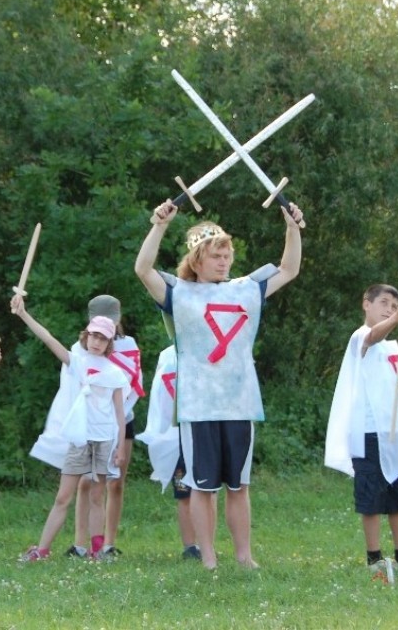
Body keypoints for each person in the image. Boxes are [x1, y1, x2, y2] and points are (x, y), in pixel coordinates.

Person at [134, 199, 303, 569]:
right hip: (198, 405)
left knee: (239, 485)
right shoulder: (179, 293)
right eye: (216, 256)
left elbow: (289, 269)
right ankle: (208, 557)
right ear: (197, 260)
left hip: (239, 402)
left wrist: (293, 228)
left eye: (227, 255)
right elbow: (143, 268)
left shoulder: (245, 289)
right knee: (203, 485)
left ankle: (244, 556)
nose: (224, 262)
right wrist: (160, 225)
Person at [11, 295, 128, 562]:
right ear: (86, 336)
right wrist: (24, 314)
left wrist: (120, 448)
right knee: (63, 496)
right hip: (80, 439)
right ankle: (42, 549)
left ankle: (97, 550)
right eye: (93, 336)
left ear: (109, 343)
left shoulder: (114, 373)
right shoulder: (77, 361)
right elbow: (48, 339)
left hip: (103, 440)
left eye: (103, 339)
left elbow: (120, 415)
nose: (97, 342)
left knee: (97, 496)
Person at [325, 284, 398, 583]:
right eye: (384, 303)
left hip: (392, 434)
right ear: (366, 304)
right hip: (367, 433)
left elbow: (394, 399)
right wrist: (395, 320)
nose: (389, 308)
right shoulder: (360, 338)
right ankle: (374, 557)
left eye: (394, 305)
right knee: (372, 497)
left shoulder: (393, 349)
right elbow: (372, 336)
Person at [68, 295, 144, 559]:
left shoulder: (129, 345)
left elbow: (135, 382)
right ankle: (80, 544)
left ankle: (108, 543)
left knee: (116, 482)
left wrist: (117, 416)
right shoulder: (81, 347)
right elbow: (74, 386)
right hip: (90, 423)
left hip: (122, 420)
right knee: (86, 482)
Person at [137, 345, 202, 560]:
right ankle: (190, 547)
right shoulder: (167, 356)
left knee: (207, 490)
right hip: (177, 437)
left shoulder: (204, 349)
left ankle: (206, 543)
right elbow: (161, 397)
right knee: (183, 491)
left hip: (202, 433)